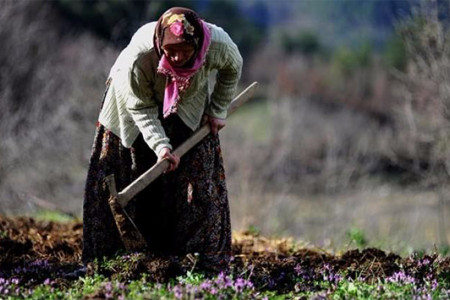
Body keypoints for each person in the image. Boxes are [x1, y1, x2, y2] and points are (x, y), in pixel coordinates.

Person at [82, 7, 242, 273]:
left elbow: (233, 67)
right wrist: (161, 146)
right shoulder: (139, 59)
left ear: (199, 45)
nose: (178, 57)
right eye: (171, 51)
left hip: (188, 104)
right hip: (131, 106)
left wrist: (217, 110)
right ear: (160, 44)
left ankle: (197, 258)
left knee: (197, 177)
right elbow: (141, 109)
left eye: (185, 51)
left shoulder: (218, 45)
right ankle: (114, 258)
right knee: (130, 166)